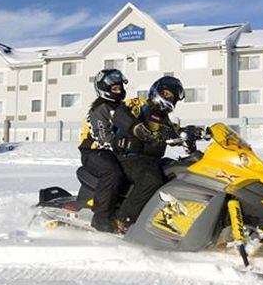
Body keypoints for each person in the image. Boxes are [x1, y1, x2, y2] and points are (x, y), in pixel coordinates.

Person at [112, 76, 185, 231]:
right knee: (151, 180)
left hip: (151, 160)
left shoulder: (165, 120)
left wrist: (192, 133)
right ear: (156, 90)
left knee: (181, 171)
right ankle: (123, 219)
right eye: (166, 94)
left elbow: (174, 135)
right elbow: (119, 114)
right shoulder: (139, 104)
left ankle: (174, 219)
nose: (169, 98)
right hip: (129, 158)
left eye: (172, 97)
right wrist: (135, 127)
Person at [78, 69, 128, 233]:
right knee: (112, 172)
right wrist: (123, 143)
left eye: (120, 87)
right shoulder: (100, 108)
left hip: (114, 151)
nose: (119, 91)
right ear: (104, 89)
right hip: (94, 152)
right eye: (114, 88)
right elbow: (103, 136)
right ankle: (100, 218)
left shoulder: (122, 107)